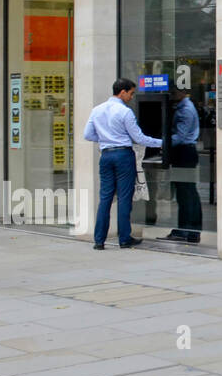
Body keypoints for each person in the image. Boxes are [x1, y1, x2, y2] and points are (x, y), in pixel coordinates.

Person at [83, 78, 162, 250]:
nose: (131, 97)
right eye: (131, 93)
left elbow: (88, 135)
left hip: (106, 156)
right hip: (123, 155)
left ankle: (99, 240)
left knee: (105, 198)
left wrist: (105, 139)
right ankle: (124, 239)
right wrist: (162, 143)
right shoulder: (125, 112)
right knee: (124, 198)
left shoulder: (97, 110)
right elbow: (139, 138)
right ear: (123, 92)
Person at [165, 87, 201, 243]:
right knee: (187, 193)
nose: (171, 96)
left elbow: (180, 137)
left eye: (173, 93)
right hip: (185, 153)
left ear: (181, 92)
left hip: (184, 153)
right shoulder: (184, 107)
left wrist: (160, 143)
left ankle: (187, 230)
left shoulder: (185, 110)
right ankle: (189, 230)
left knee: (186, 193)